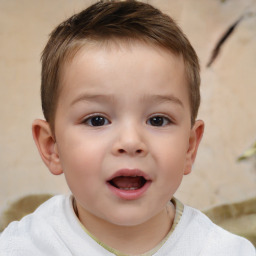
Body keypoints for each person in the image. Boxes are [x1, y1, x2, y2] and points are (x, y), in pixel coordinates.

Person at [0, 1, 255, 255]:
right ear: (51, 147)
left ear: (189, 147)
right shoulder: (20, 248)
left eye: (158, 120)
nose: (131, 141)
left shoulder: (227, 251)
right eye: (96, 120)